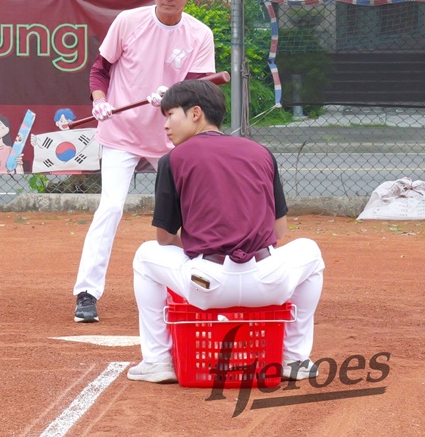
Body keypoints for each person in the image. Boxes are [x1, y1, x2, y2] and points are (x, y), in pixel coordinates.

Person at [126, 80, 324, 383]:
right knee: (310, 251)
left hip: (207, 285)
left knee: (145, 256)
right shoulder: (260, 152)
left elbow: (164, 239)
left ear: (195, 113)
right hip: (268, 282)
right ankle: (294, 359)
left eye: (170, 115)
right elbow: (279, 230)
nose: (165, 125)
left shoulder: (172, 160)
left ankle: (157, 362)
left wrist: (197, 243)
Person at [73, 0, 216, 323]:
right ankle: (86, 292)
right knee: (111, 206)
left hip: (171, 139)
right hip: (121, 132)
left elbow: (199, 92)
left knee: (188, 213)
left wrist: (172, 98)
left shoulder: (199, 34)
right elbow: (99, 70)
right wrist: (101, 101)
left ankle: (201, 285)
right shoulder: (128, 22)